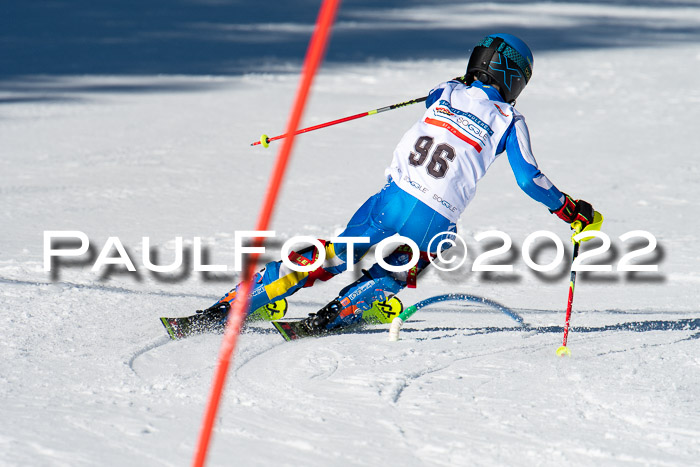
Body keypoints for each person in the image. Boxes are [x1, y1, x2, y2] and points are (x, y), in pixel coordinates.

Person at [202, 33, 595, 333]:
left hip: (390, 201)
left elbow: (436, 99)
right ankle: (351, 306)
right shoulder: (509, 119)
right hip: (435, 220)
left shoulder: (447, 91)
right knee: (428, 251)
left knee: (336, 254)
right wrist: (568, 208)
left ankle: (243, 300)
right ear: (514, 78)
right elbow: (529, 179)